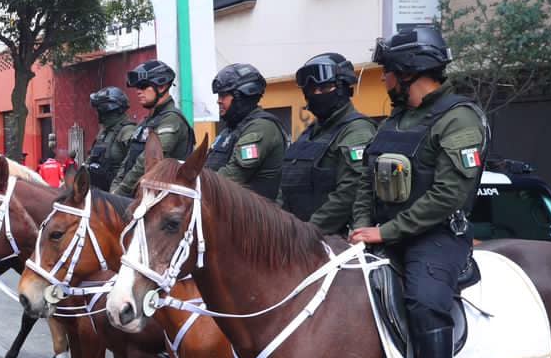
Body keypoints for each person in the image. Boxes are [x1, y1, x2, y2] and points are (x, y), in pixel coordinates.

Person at [350, 25, 487, 358]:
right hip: (380, 235)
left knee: (425, 302)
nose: (385, 79)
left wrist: (385, 231)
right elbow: (365, 181)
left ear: (409, 71)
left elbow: (451, 194)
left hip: (435, 237)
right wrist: (359, 228)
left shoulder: (458, 118)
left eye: (389, 72)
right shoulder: (397, 119)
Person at [279, 52, 377, 235]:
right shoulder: (310, 132)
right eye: (311, 90)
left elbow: (349, 193)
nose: (316, 94)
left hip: (332, 240)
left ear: (343, 89)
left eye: (325, 88)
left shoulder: (357, 131)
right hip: (297, 237)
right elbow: (285, 185)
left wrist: (307, 231)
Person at [110, 60, 195, 197]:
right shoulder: (146, 122)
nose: (138, 91)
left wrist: (120, 193)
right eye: (137, 87)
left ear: (162, 87)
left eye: (143, 86)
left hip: (163, 202)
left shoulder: (172, 120)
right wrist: (115, 188)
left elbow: (144, 162)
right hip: (137, 197)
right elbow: (128, 160)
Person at [206, 63, 288, 198]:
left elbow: (230, 177)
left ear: (241, 96)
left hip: (259, 217)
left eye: (224, 95)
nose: (218, 101)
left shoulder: (261, 127)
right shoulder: (230, 130)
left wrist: (193, 185)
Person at [85, 86, 139, 192]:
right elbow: (91, 159)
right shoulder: (104, 132)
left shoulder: (128, 131)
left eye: (99, 109)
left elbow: (134, 167)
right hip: (97, 190)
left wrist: (116, 191)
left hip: (117, 193)